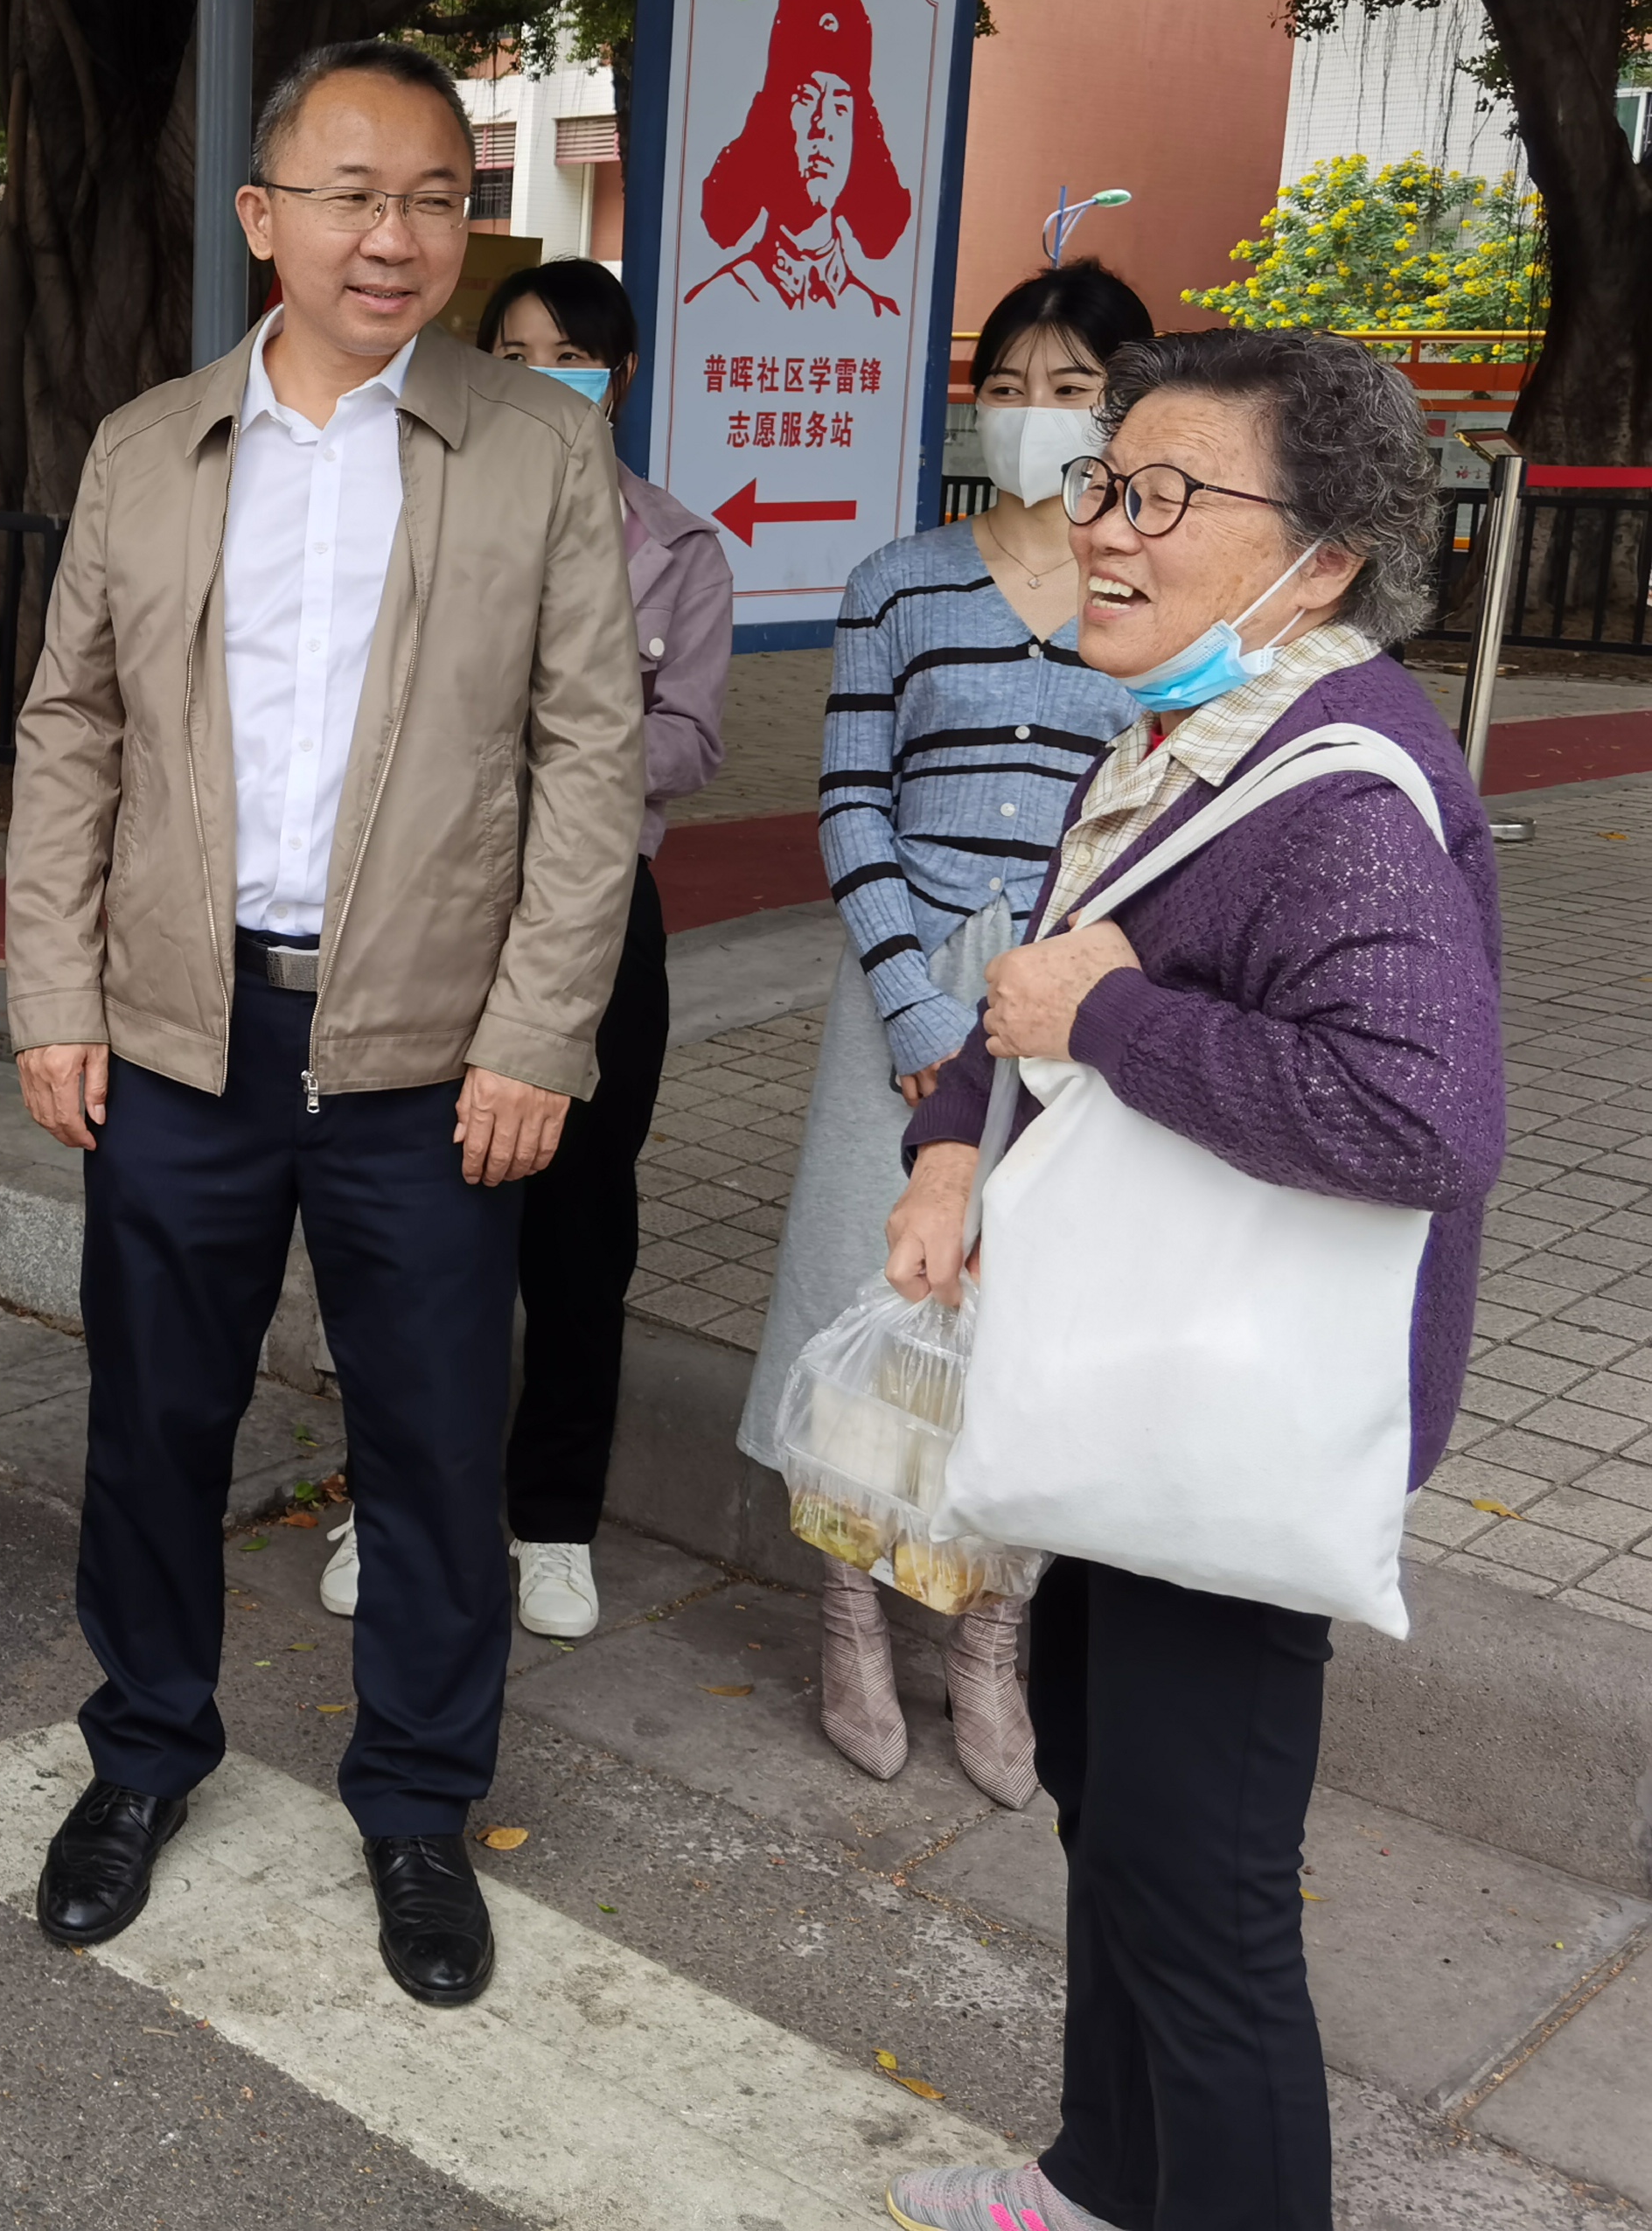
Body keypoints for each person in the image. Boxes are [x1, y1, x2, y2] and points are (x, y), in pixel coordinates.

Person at [7, 41, 644, 2008]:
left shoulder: (532, 451)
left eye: (436, 197)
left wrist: (538, 1034)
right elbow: (70, 728)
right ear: (260, 214)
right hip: (179, 1036)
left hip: (430, 1059)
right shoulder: (145, 448)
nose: (395, 235)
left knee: (435, 1446)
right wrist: (54, 990)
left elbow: (589, 758)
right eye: (352, 193)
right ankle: (142, 1752)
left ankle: (419, 1803)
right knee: (153, 1427)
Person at [881, 329, 1502, 2231]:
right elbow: (1046, 972)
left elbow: (1415, 1116)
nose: (1104, 528)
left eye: (1163, 495)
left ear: (1320, 562)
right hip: (1143, 1381)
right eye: (1103, 482)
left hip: (1233, 1417)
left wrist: (1116, 1021)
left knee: (1201, 1895)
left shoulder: (1338, 798)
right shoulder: (1192, 734)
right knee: (1109, 1795)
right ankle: (1100, 2178)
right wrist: (954, 1133)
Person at [741, 259, 1147, 1806]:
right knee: (870, 1291)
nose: (1037, 415)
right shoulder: (899, 578)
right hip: (901, 976)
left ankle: (990, 1637)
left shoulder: (1146, 589)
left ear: (1129, 406)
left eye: (1074, 389)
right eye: (1011, 387)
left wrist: (1078, 991)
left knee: (1028, 1314)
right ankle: (848, 1615)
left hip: (1075, 1001)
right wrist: (912, 993)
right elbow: (851, 792)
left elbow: (1164, 814)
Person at [316, 258, 730, 1639]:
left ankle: (552, 1520)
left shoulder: (677, 547)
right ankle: (393, 1503)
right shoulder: (412, 508)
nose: (539, 375)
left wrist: (536, 738)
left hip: (598, 914)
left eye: (568, 355)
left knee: (578, 1233)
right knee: (413, 1228)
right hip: (432, 905)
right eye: (512, 351)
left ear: (619, 380)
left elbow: (690, 741)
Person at [684, 0, 911, 317]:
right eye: (806, 99)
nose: (822, 128)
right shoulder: (716, 302)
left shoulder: (877, 314)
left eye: (840, 107)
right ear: (773, 121)